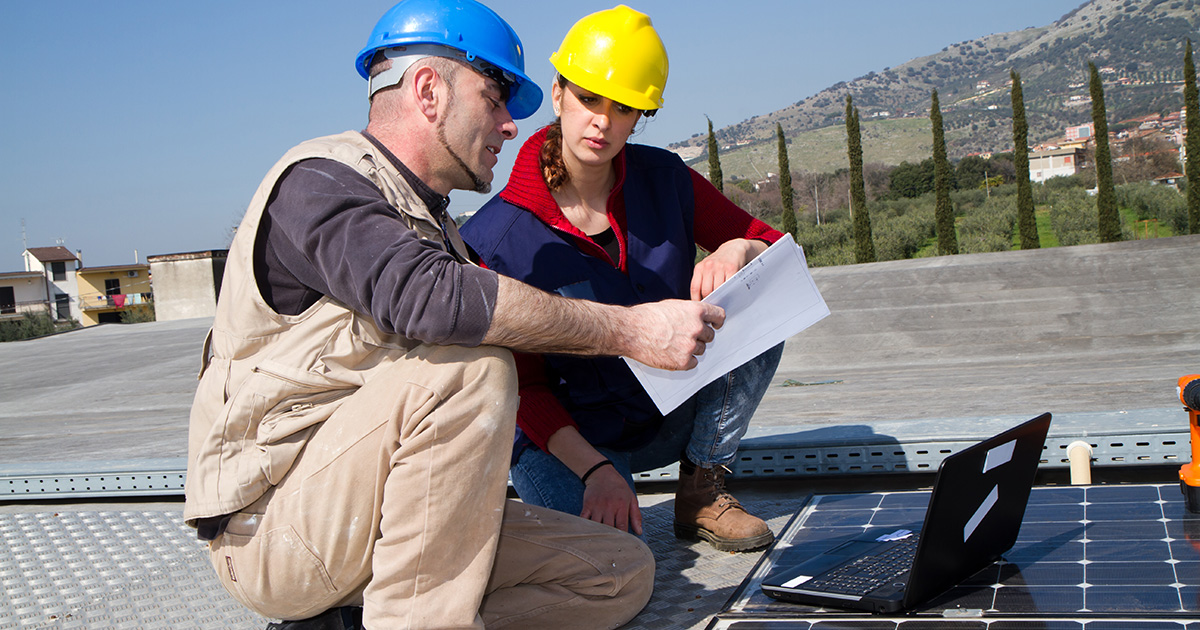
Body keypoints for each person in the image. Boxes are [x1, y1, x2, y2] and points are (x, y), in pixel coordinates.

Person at [182, 1, 728, 629]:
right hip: (280, 530)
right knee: (472, 367)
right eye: (496, 99)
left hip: (385, 516)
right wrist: (632, 330)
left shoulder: (437, 228)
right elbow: (435, 299)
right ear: (428, 89)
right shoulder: (320, 182)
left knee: (617, 572)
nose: (509, 126)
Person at [460, 5, 785, 554]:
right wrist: (596, 474)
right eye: (588, 99)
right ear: (559, 93)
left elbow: (776, 252)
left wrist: (740, 246)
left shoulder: (665, 179)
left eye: (624, 107)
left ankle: (702, 488)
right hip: (566, 441)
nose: (603, 122)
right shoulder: (495, 239)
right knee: (609, 571)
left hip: (670, 412)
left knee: (761, 307)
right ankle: (598, 490)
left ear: (640, 117)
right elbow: (524, 391)